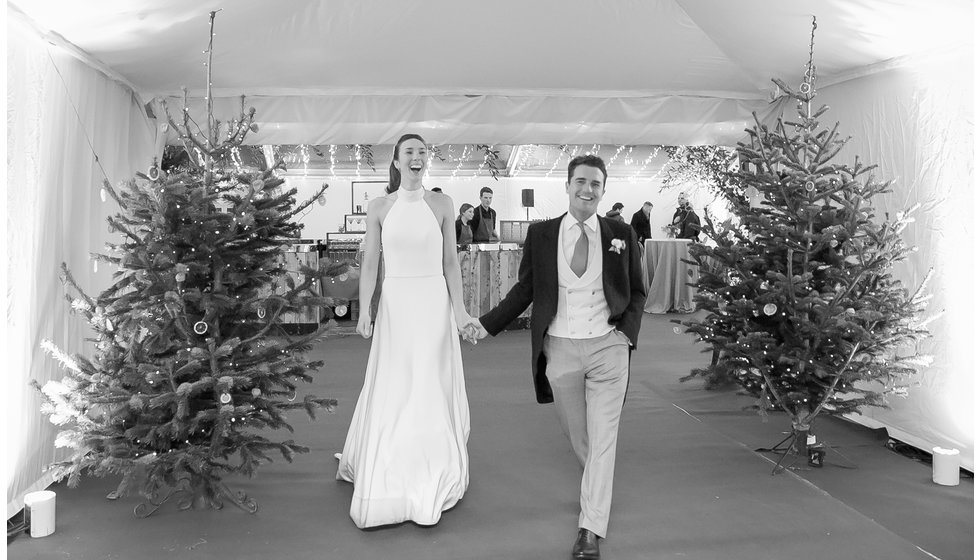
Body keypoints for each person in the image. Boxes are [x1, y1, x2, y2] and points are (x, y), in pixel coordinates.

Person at [468, 155, 646, 560]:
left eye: (596, 184)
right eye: (580, 181)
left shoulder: (621, 233)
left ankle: (590, 527)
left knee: (603, 439)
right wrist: (487, 323)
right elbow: (525, 290)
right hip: (561, 348)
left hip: (608, 347)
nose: (588, 190)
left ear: (603, 190)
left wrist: (625, 337)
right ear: (567, 185)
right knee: (578, 435)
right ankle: (596, 486)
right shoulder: (542, 234)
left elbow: (637, 291)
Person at [336, 133, 473, 528]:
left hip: (433, 303)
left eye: (422, 152)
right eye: (409, 152)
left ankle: (432, 465)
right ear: (396, 162)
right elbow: (370, 264)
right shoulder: (378, 206)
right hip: (396, 304)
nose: (417, 157)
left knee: (429, 380)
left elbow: (450, 262)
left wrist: (460, 311)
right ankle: (391, 464)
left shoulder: (443, 203)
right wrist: (366, 310)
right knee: (396, 382)